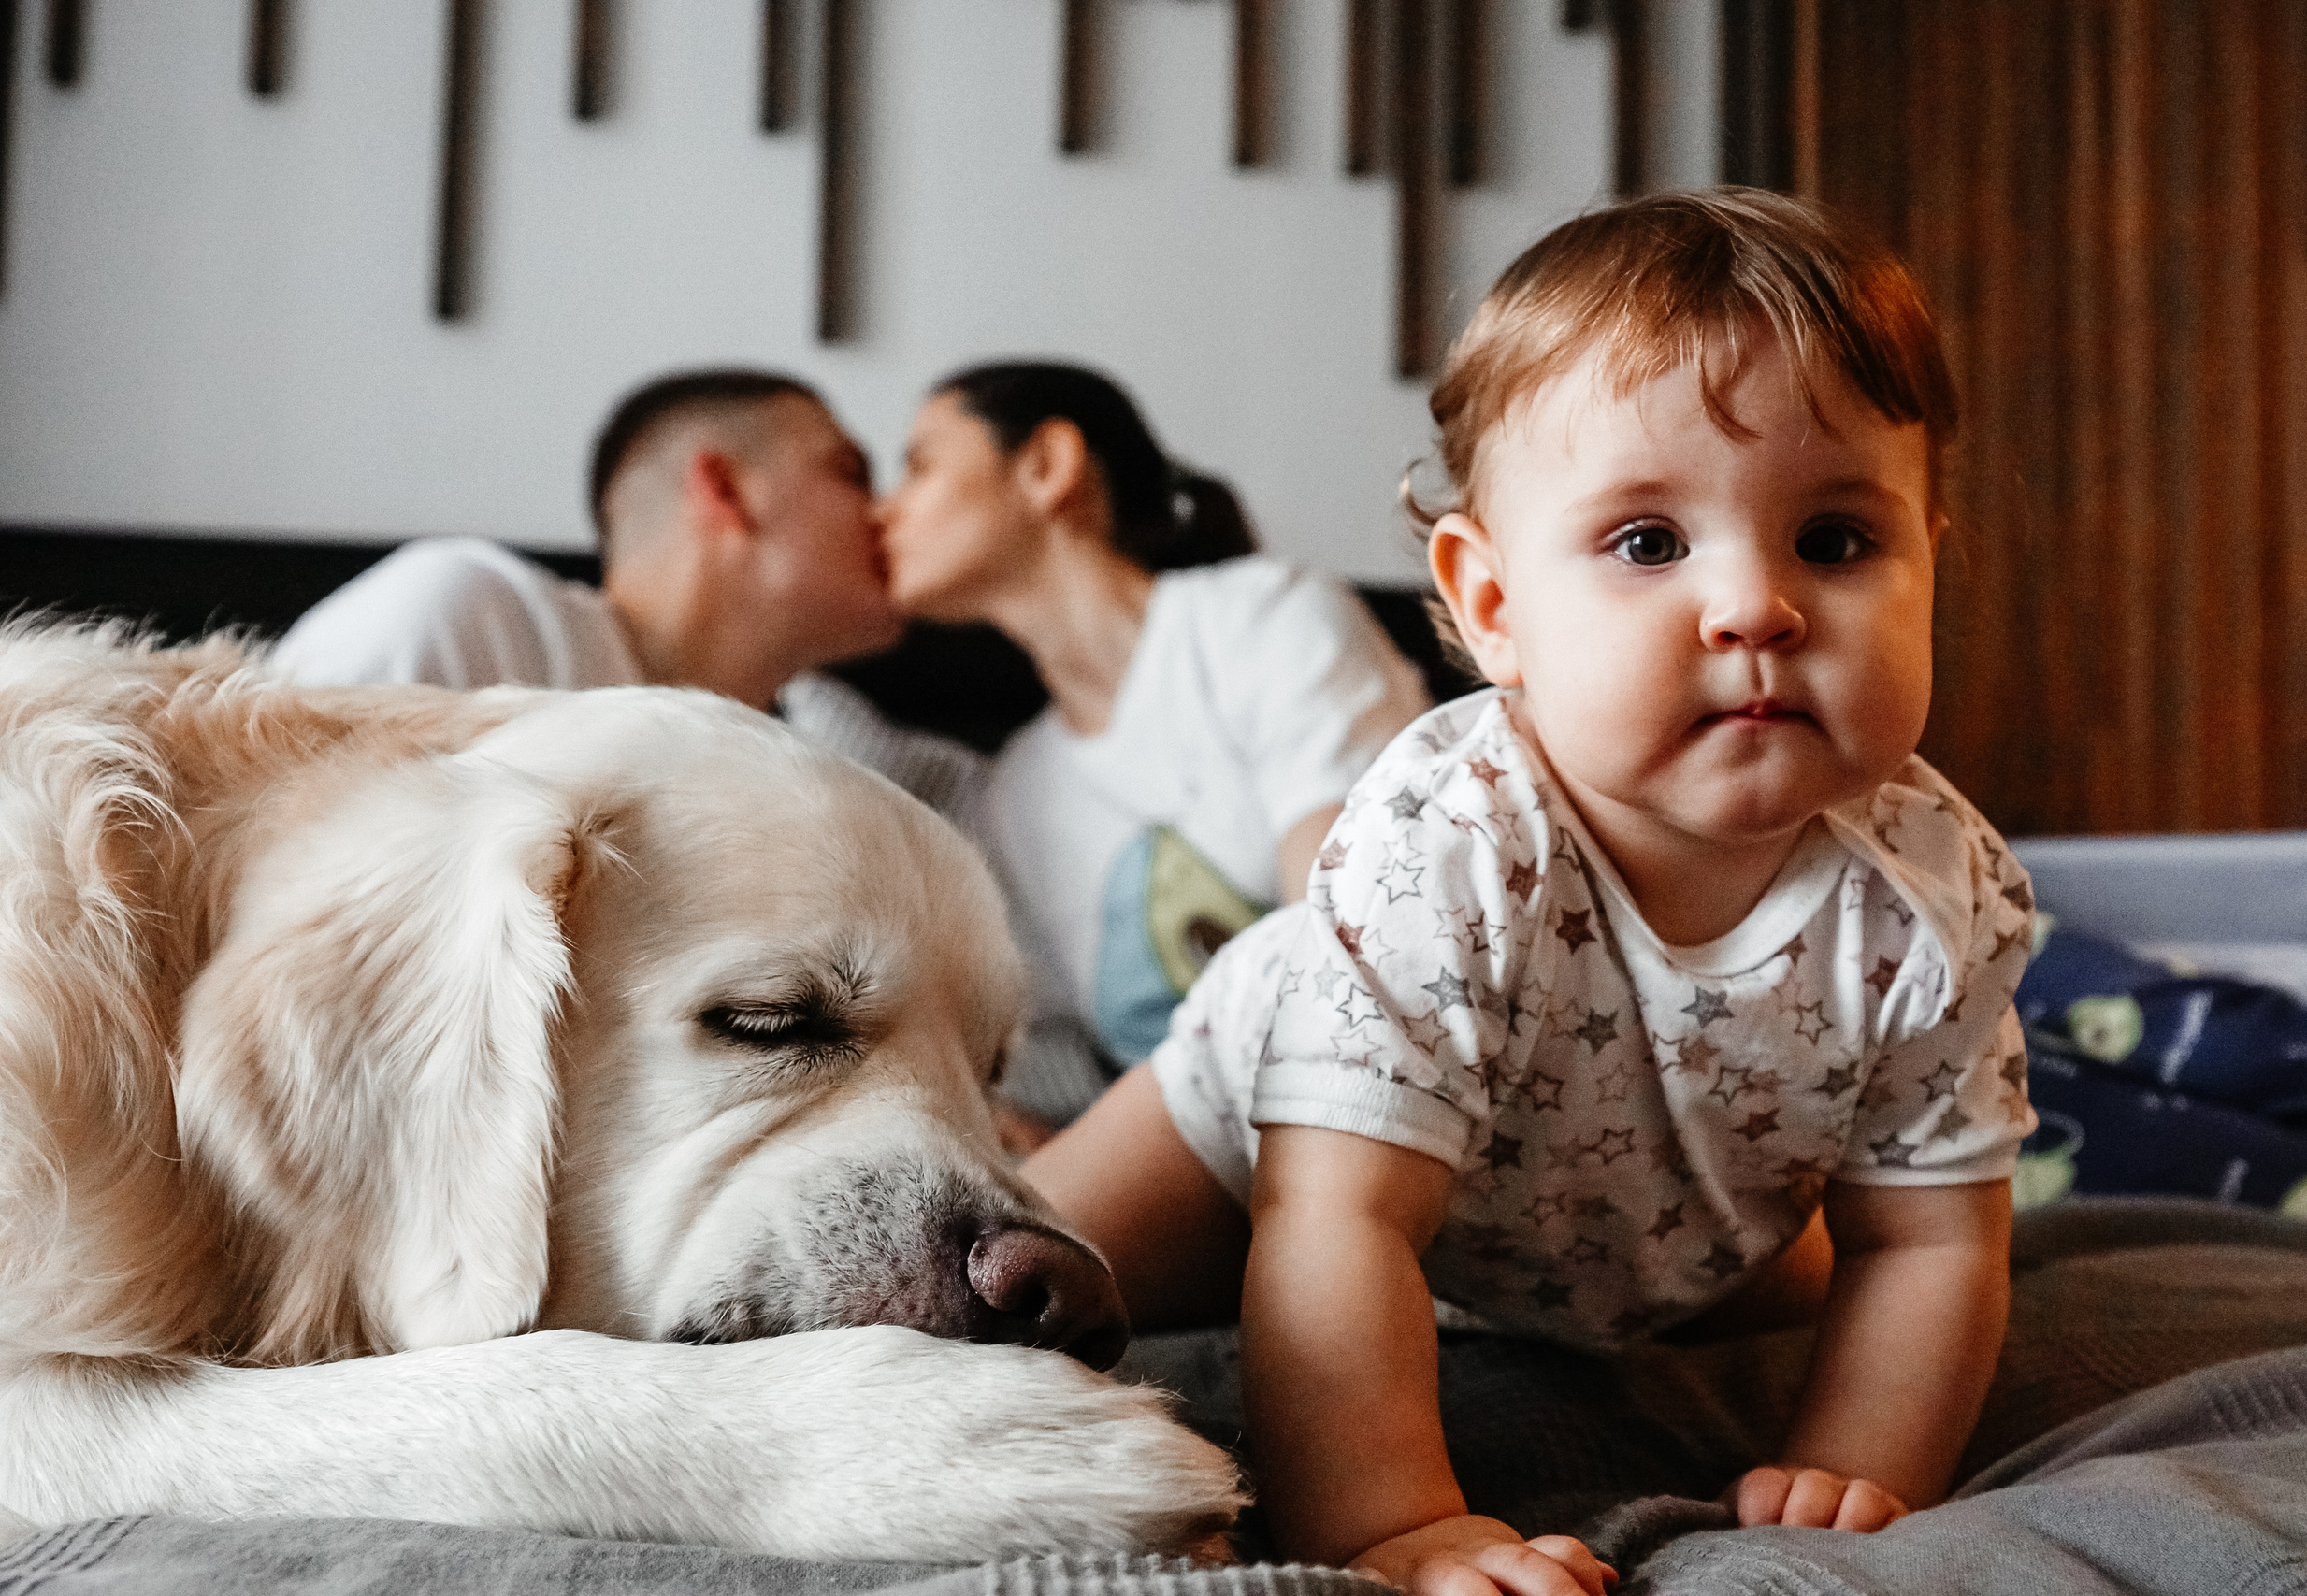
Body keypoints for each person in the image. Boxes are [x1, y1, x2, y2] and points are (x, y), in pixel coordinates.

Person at [1020, 190, 2040, 1595]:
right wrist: (1391, 1528)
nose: (1757, 605)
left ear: (1930, 557)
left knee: (1846, 1272)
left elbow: (1926, 1241)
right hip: (1269, 1129)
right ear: (1493, 607)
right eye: (1648, 543)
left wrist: (1855, 1468)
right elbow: (1342, 1218)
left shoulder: (1938, 895)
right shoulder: (1447, 842)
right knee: (1023, 1289)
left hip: (1667, 1211)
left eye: (1836, 540)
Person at [873, 362, 1431, 1128]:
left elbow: (1354, 951)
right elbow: (1086, 1064)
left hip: (1362, 1113)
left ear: (1046, 466)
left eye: (918, 466)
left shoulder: (1266, 620)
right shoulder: (1015, 794)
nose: (883, 511)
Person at [275, 368, 979, 817]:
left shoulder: (847, 772)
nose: (886, 513)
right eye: (850, 474)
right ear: (726, 490)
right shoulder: (469, 620)